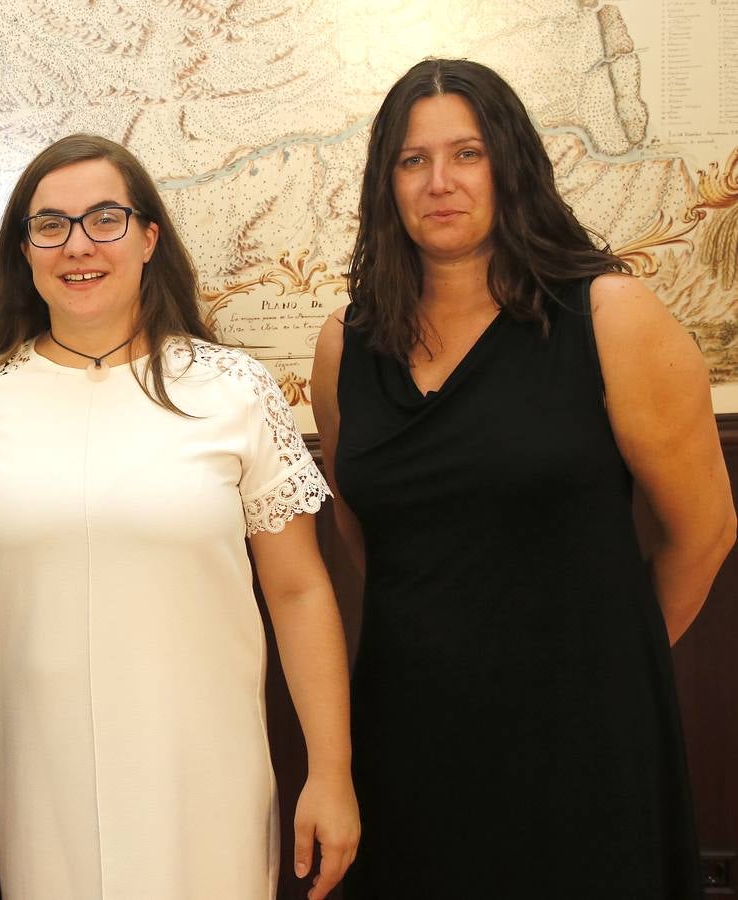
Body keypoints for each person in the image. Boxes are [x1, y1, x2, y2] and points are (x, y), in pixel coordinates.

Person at [310, 57, 736, 899]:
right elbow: (368, 534)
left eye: (466, 154)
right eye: (412, 159)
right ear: (384, 184)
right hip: (410, 730)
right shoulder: (344, 345)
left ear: (511, 163)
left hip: (583, 736)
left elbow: (705, 531)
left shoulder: (610, 316)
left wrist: (600, 664)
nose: (440, 181)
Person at [0, 133, 360, 900]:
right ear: (24, 250)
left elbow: (299, 592)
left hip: (203, 772)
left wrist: (329, 772)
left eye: (104, 219)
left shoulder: (233, 391)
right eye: (48, 224)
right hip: (37, 777)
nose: (77, 245)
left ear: (149, 237)